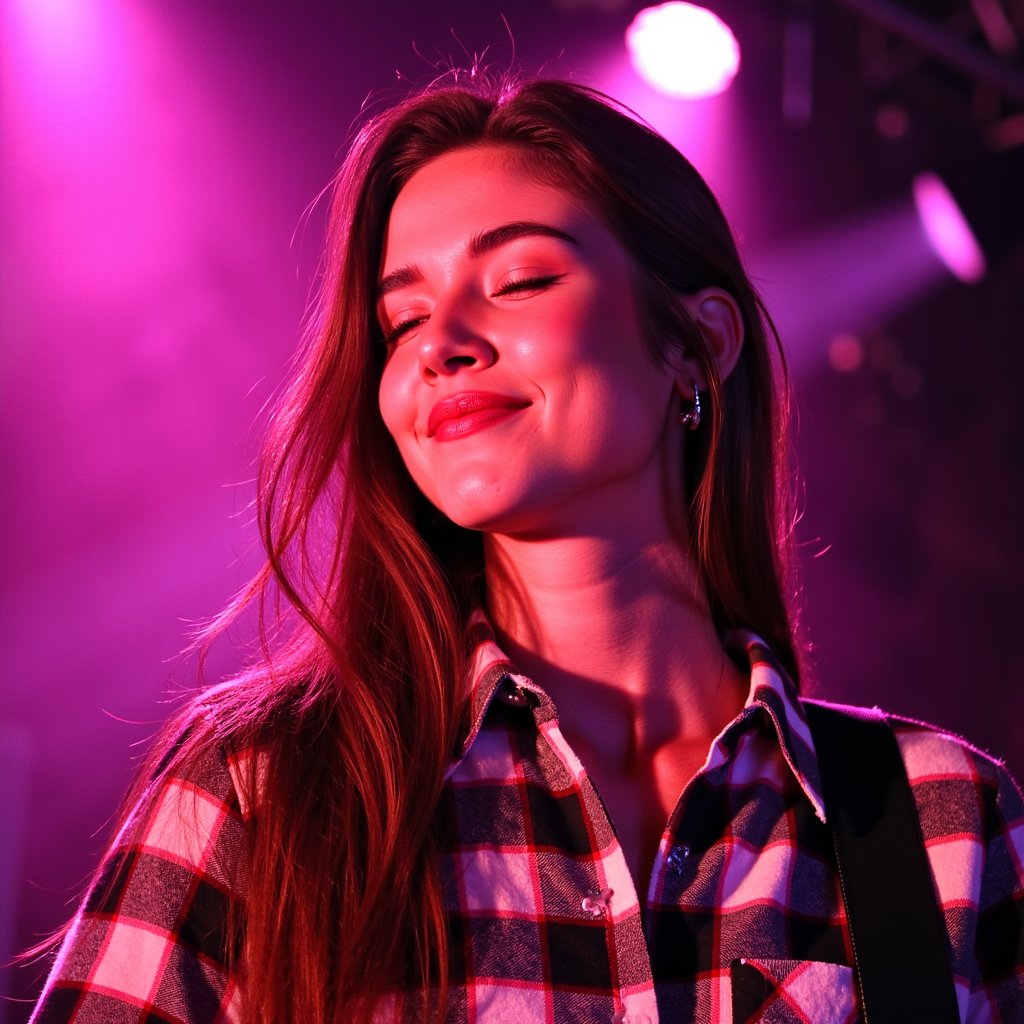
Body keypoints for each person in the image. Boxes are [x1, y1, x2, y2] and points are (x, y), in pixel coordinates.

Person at [29, 75, 1024, 1024]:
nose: (440, 341)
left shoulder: (941, 821)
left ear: (696, 341)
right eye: (401, 318)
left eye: (518, 280)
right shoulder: (261, 792)